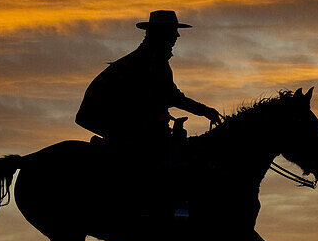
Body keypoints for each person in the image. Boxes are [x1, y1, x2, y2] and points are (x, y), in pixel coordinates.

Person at [76, 10, 222, 156]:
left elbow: (166, 97)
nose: (177, 36)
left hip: (116, 122)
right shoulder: (148, 62)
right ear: (161, 34)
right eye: (173, 31)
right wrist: (205, 111)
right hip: (122, 127)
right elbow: (171, 97)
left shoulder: (148, 60)